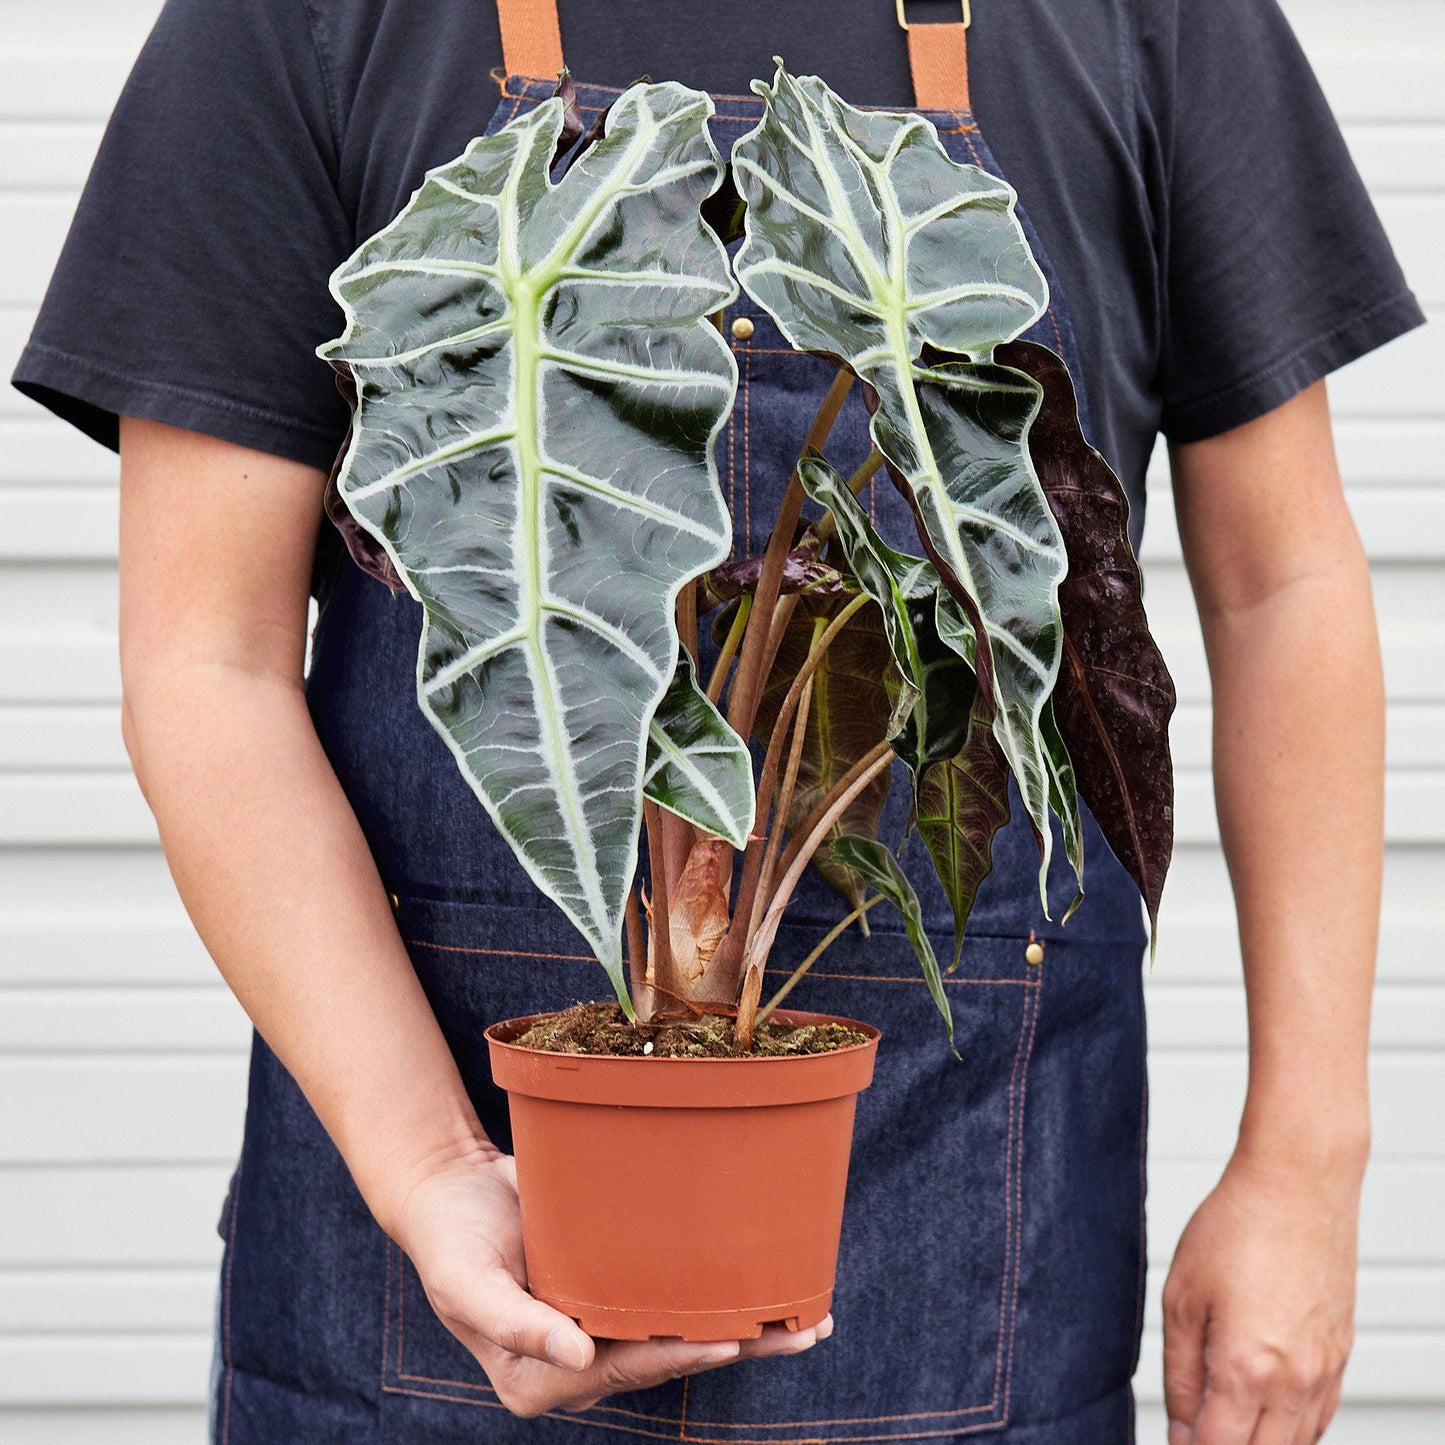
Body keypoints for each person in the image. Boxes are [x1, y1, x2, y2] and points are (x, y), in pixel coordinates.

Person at [13, 1, 1421, 1441]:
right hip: (432, 1254)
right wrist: (429, 1163)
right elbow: (207, 658)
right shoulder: (311, 21)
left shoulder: (1143, 20)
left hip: (969, 1234)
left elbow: (1281, 588)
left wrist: (1304, 1163)